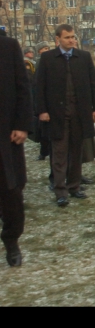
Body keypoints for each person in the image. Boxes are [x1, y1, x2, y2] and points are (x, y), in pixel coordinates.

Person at [36, 25, 95, 207]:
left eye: (73, 37)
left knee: (76, 151)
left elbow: (93, 85)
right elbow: (39, 87)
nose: (72, 40)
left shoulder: (83, 57)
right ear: (58, 39)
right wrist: (42, 111)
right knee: (59, 153)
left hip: (79, 113)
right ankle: (60, 190)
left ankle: (74, 187)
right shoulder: (48, 58)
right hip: (56, 115)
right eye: (67, 37)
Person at [0, 34, 32, 267]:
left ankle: (11, 241)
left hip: (6, 134)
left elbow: (23, 88)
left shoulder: (8, 46)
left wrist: (22, 125)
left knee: (10, 192)